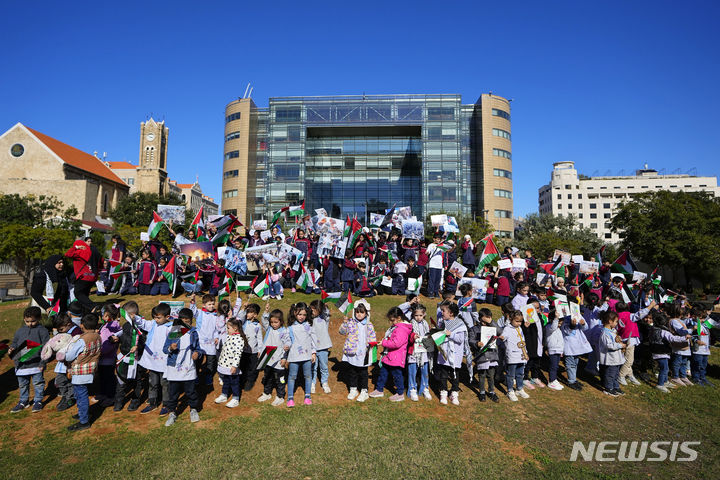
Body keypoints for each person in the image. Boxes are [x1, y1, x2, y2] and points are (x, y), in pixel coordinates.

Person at [57, 313, 101, 431]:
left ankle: (84, 421)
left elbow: (70, 356)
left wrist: (63, 354)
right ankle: (83, 414)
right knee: (80, 394)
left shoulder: (82, 340)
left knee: (81, 396)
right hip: (91, 369)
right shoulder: (97, 336)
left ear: (82, 325)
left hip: (80, 372)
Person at [163, 307, 204, 426]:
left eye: (188, 321)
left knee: (191, 391)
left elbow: (198, 349)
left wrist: (197, 354)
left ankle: (193, 409)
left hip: (188, 368)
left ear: (191, 321)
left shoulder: (194, 333)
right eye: (183, 321)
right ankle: (172, 412)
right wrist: (171, 348)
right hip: (174, 368)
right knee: (173, 393)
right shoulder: (174, 332)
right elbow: (165, 349)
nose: (185, 324)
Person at [8, 307, 50, 413]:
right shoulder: (20, 331)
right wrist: (12, 349)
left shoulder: (43, 331)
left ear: (39, 318)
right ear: (24, 319)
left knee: (38, 383)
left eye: (33, 321)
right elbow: (15, 343)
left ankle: (38, 401)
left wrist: (43, 362)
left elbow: (46, 348)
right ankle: (23, 401)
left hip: (36, 364)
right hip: (21, 365)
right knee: (22, 384)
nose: (30, 324)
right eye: (27, 321)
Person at [137, 302, 173, 415]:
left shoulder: (172, 328)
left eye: (158, 317)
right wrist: (134, 317)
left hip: (164, 362)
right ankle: (152, 402)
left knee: (165, 383)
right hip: (152, 361)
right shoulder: (153, 324)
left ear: (167, 317)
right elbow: (142, 323)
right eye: (155, 317)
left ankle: (167, 404)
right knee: (152, 382)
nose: (156, 319)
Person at [369, 307, 412, 402]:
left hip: (396, 357)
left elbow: (396, 343)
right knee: (383, 373)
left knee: (397, 375)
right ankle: (379, 389)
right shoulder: (396, 327)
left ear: (399, 318)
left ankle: (400, 393)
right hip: (389, 356)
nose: (391, 322)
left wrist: (384, 343)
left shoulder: (401, 329)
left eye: (392, 320)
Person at [339, 301, 376, 402]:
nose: (359, 314)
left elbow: (373, 337)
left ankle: (364, 391)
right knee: (353, 371)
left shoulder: (369, 325)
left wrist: (371, 349)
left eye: (362, 312)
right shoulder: (350, 322)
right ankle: (353, 388)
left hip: (364, 352)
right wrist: (345, 323)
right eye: (357, 312)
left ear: (366, 313)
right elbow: (342, 332)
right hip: (353, 352)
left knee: (363, 372)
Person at [113, 302, 145, 412]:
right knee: (121, 380)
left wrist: (138, 347)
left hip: (137, 360)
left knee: (137, 382)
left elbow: (144, 342)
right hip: (125, 358)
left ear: (132, 315)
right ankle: (118, 402)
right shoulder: (126, 325)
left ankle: (135, 401)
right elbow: (124, 339)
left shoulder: (141, 327)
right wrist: (117, 339)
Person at [285, 303, 317, 407]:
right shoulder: (290, 328)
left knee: (308, 376)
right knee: (292, 376)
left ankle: (307, 396)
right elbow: (288, 340)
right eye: (299, 314)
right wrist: (286, 346)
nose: (301, 317)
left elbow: (313, 340)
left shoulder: (309, 326)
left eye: (304, 314)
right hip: (294, 357)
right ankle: (290, 398)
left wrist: (313, 353)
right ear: (294, 313)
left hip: (307, 356)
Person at [434, 302, 467, 406]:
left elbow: (460, 339)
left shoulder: (460, 324)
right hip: (444, 354)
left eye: (444, 311)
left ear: (451, 313)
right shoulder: (441, 322)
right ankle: (443, 392)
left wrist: (450, 334)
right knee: (443, 375)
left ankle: (454, 393)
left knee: (454, 376)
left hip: (454, 355)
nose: (441, 313)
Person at [48, 313, 82, 411]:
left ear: (68, 324)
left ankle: (70, 397)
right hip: (62, 362)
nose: (59, 332)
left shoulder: (76, 332)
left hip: (71, 361)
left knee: (70, 380)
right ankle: (65, 394)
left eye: (61, 329)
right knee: (59, 381)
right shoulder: (63, 332)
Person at [257, 307, 290, 406]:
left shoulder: (284, 331)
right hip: (268, 358)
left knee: (280, 379)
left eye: (276, 322)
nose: (273, 324)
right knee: (267, 376)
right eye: (272, 322)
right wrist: (266, 312)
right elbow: (264, 321)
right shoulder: (269, 329)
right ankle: (267, 393)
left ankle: (280, 396)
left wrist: (284, 357)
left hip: (279, 361)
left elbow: (288, 342)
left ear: (281, 321)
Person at [468, 307, 502, 402]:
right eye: (484, 319)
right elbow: (470, 339)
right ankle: (482, 392)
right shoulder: (474, 329)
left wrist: (491, 322)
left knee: (491, 375)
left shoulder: (493, 327)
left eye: (488, 318)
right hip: (481, 355)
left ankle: (491, 391)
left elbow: (500, 331)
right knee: (482, 375)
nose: (485, 321)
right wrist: (476, 343)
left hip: (492, 355)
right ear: (479, 318)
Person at [189, 293, 223, 387]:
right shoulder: (200, 313)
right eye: (209, 304)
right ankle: (194, 376)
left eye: (213, 304)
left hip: (211, 342)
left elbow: (217, 328)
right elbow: (192, 310)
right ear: (204, 305)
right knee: (197, 360)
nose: (211, 306)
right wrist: (192, 301)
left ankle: (208, 376)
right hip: (200, 342)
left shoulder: (217, 315)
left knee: (210, 362)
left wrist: (216, 337)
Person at [65, 239, 103, 312]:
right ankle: (87, 312)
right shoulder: (94, 252)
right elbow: (101, 262)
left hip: (83, 276)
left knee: (78, 293)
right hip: (92, 277)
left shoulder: (79, 252)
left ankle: (93, 306)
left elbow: (68, 254)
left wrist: (76, 248)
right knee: (84, 295)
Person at [214, 318, 245, 408]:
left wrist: (234, 366)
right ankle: (224, 395)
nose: (227, 330)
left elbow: (238, 354)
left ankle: (235, 398)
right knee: (226, 381)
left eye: (228, 328)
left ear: (235, 328)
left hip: (231, 367)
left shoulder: (239, 339)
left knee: (234, 383)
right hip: (224, 365)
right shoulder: (229, 336)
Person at [95, 304, 121, 407]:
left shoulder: (110, 328)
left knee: (108, 379)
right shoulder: (108, 325)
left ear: (106, 315)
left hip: (106, 358)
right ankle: (104, 394)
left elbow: (107, 344)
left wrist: (99, 352)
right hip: (106, 358)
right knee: (103, 378)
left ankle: (110, 398)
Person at [501, 311, 530, 402]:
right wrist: (502, 337)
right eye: (517, 321)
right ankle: (510, 390)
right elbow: (504, 336)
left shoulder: (520, 328)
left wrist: (526, 353)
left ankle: (519, 389)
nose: (519, 323)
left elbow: (522, 341)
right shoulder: (507, 329)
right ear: (511, 319)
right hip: (512, 355)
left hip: (521, 355)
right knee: (511, 375)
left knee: (520, 373)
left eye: (520, 321)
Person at [597, 310, 626, 397]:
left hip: (616, 358)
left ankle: (615, 386)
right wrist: (620, 345)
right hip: (610, 358)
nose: (617, 323)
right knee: (610, 374)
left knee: (616, 374)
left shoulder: (612, 331)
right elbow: (609, 345)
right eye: (616, 321)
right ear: (610, 321)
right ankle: (609, 388)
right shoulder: (605, 333)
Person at [238, 303, 263, 391]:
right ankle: (241, 380)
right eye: (247, 312)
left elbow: (259, 338)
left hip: (253, 352)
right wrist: (243, 309)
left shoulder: (258, 326)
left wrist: (260, 350)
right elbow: (240, 317)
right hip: (243, 350)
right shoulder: (244, 322)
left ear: (255, 315)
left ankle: (250, 381)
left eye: (249, 312)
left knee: (252, 368)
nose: (247, 314)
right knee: (242, 366)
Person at [310, 300, 332, 394]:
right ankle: (312, 382)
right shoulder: (309, 319)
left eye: (313, 310)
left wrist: (325, 308)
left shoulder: (323, 318)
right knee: (313, 367)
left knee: (323, 366)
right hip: (312, 348)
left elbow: (327, 314)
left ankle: (324, 382)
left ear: (319, 310)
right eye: (311, 310)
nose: (312, 312)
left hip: (323, 347)